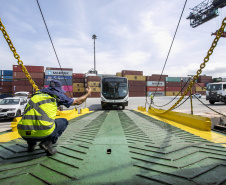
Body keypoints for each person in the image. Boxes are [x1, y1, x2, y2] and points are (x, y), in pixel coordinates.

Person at [17, 79, 91, 155]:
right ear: (59, 89)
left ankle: (31, 145)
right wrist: (88, 93)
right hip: (43, 133)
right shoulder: (56, 95)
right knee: (63, 121)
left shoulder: (36, 95)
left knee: (31, 121)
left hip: (23, 133)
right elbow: (78, 102)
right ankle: (47, 143)